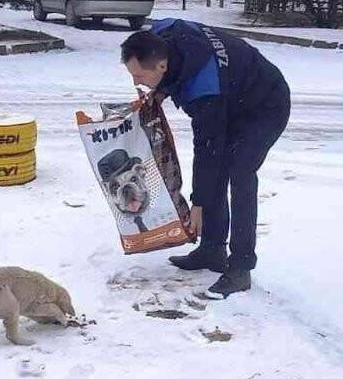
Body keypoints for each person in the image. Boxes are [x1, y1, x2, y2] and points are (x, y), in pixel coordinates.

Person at [120, 19, 291, 298]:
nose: (136, 82)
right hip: (231, 95)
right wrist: (159, 92)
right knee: (218, 169)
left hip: (265, 106)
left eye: (139, 77)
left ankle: (240, 267)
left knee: (239, 172)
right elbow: (171, 54)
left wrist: (198, 202)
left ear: (161, 66)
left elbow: (208, 149)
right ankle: (212, 250)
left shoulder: (204, 87)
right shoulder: (164, 32)